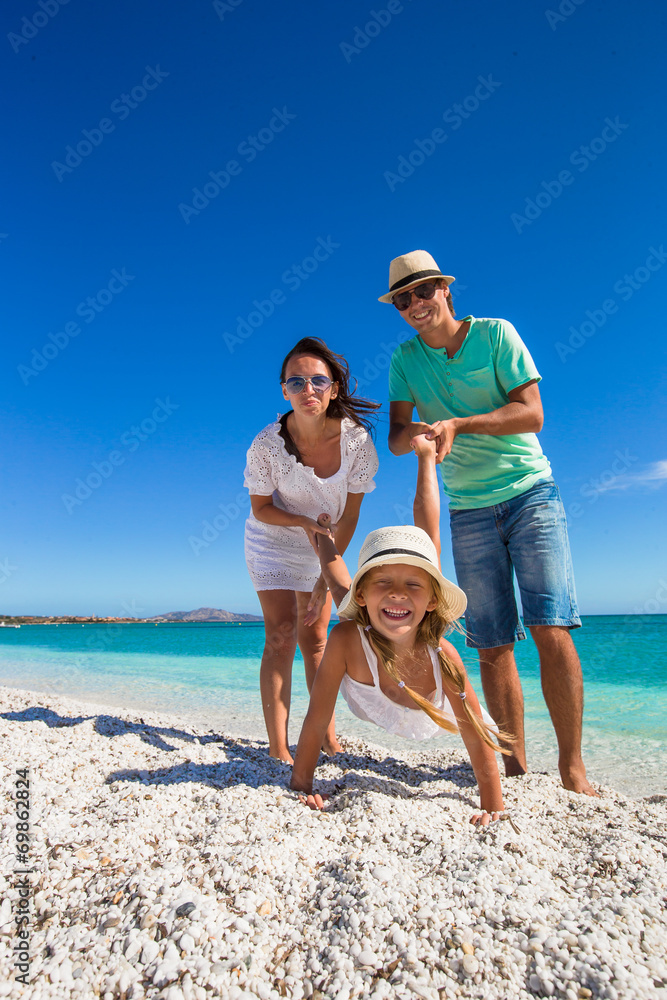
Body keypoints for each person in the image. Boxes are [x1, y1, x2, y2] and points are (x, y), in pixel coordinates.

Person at [383, 249, 596, 795]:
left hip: (531, 495)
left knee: (552, 627)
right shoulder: (405, 359)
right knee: (492, 643)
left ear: (445, 290)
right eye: (403, 299)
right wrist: (423, 437)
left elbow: (532, 413)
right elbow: (396, 437)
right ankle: (517, 767)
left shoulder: (497, 335)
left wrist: (460, 424)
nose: (414, 305)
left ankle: (572, 767)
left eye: (422, 292)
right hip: (466, 508)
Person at [290, 434, 508, 826]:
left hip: (431, 712)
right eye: (382, 583)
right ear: (364, 597)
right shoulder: (346, 639)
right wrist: (301, 786)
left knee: (427, 549)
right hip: (367, 666)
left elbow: (475, 737)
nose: (397, 594)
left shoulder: (443, 658)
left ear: (432, 604)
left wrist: (493, 806)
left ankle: (426, 459)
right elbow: (317, 717)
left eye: (413, 588)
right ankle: (322, 537)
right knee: (342, 582)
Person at [244, 337, 380, 763]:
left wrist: (325, 575)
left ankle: (325, 736)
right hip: (273, 539)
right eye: (297, 381)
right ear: (284, 389)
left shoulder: (356, 442)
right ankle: (279, 747)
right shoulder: (267, 444)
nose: (308, 390)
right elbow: (261, 508)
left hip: (323, 543)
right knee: (281, 635)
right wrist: (303, 522)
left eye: (318, 381)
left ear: (334, 388)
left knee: (317, 638)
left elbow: (352, 515)